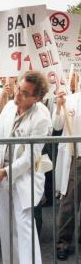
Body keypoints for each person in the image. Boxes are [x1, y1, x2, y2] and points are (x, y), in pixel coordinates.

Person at [0, 71, 52, 264]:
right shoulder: (9, 106)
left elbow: (29, 157)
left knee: (24, 228)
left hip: (24, 177)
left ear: (37, 98)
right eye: (18, 89)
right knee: (6, 228)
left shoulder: (42, 117)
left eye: (25, 93)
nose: (17, 95)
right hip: (1, 176)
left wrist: (6, 172)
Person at [53, 90, 81, 261]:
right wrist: (58, 106)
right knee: (69, 201)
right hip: (76, 157)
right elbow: (56, 125)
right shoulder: (69, 100)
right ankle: (63, 242)